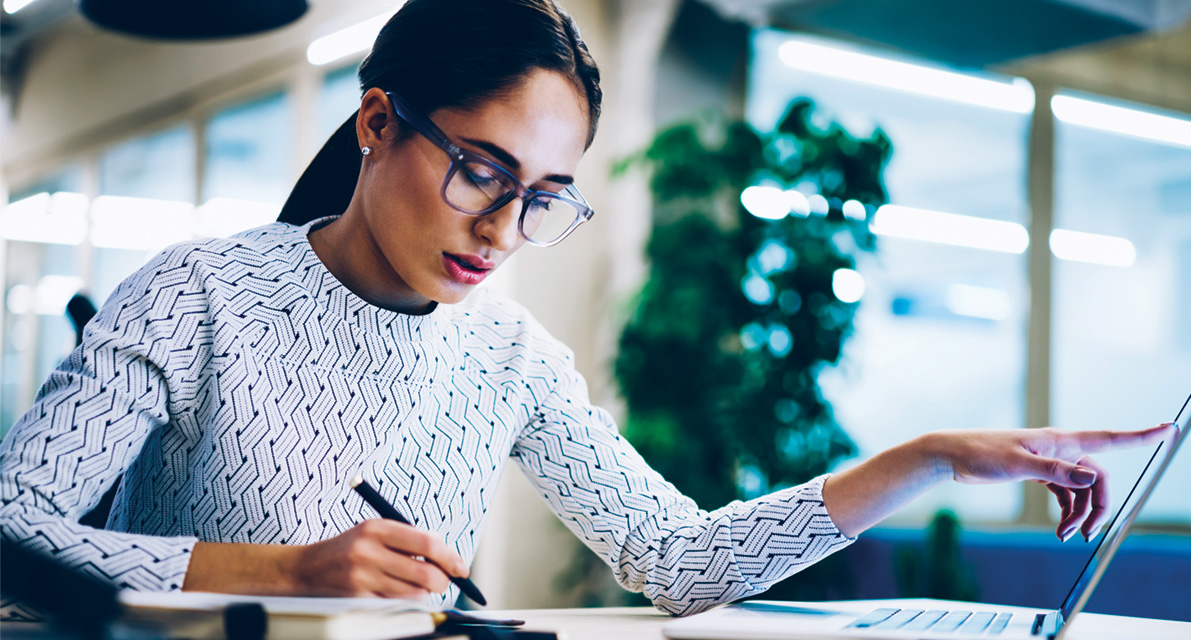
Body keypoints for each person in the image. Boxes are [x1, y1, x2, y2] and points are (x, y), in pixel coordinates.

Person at [0, 0, 1176, 620]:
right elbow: (15, 521)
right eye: (481, 171)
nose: (505, 229)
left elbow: (674, 557)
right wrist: (282, 573)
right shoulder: (199, 294)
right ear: (376, 125)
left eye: (545, 198)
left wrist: (924, 459)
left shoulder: (509, 352)